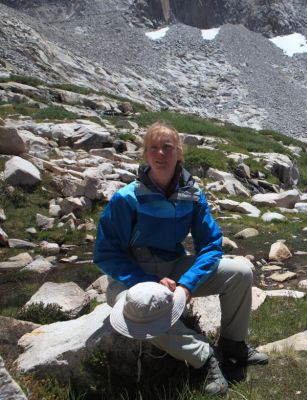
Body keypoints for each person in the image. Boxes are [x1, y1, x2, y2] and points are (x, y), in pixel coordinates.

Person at [93, 122, 268, 395]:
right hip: (131, 276)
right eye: (153, 148)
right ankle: (205, 356)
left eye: (167, 147)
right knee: (140, 313)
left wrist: (187, 283)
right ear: (146, 154)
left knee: (240, 273)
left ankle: (234, 344)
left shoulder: (191, 194)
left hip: (175, 268)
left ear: (179, 153)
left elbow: (210, 244)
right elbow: (105, 253)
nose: (160, 154)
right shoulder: (127, 199)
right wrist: (146, 281)